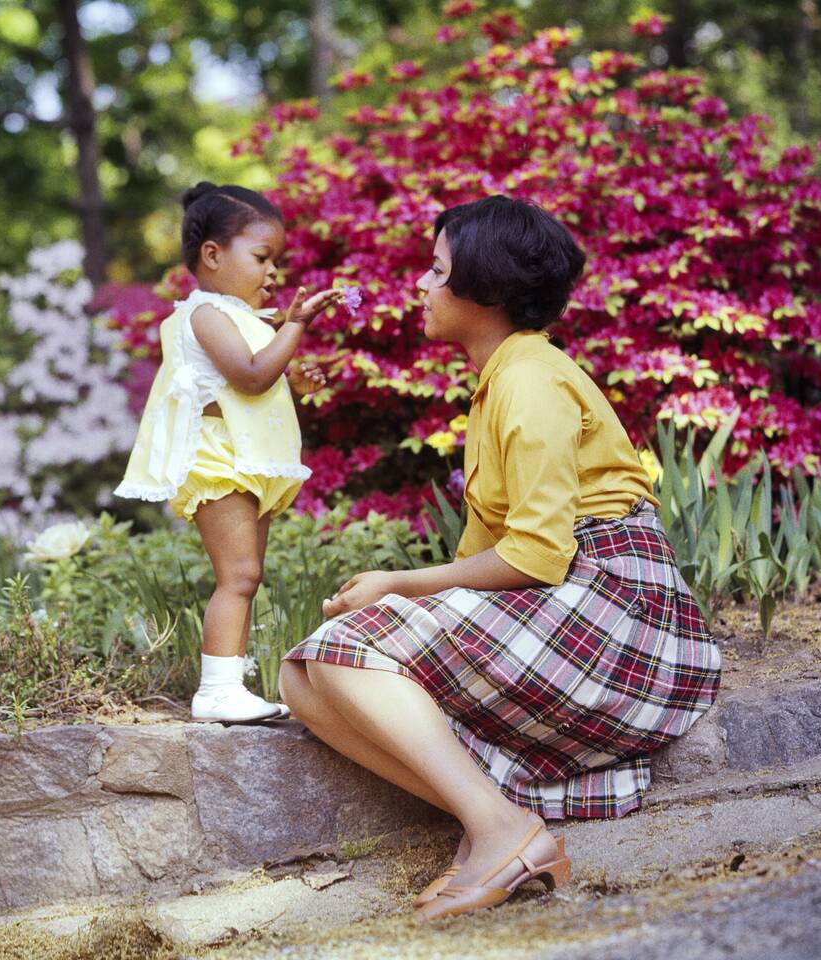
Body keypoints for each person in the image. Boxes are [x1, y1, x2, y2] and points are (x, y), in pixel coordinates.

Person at [280, 196, 721, 921]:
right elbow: (493, 563)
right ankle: (500, 818)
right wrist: (400, 602)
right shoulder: (498, 385)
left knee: (340, 652)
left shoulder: (529, 379)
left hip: (623, 608)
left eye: (436, 270)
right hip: (574, 599)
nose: (421, 286)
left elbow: (540, 557)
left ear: (484, 290)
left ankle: (501, 832)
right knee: (303, 677)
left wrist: (399, 582)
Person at [116, 182, 343, 723]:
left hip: (242, 459)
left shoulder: (241, 319)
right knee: (236, 576)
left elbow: (259, 391)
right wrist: (297, 326)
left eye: (276, 262)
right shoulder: (205, 315)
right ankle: (216, 690)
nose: (273, 273)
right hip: (217, 462)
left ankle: (227, 687)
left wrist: (298, 381)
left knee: (247, 576)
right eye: (262, 258)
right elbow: (250, 376)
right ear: (213, 255)